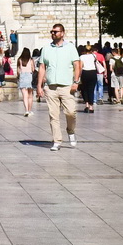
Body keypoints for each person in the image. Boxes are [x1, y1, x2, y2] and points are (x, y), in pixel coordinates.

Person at [38, 23, 80, 151]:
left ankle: (71, 131)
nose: (53, 34)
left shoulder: (71, 48)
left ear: (62, 33)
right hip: (51, 87)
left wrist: (76, 81)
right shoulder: (46, 48)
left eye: (55, 32)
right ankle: (57, 140)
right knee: (53, 115)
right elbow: (42, 67)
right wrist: (39, 86)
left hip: (67, 86)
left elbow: (77, 65)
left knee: (71, 112)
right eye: (52, 31)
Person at [17, 48, 37, 116]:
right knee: (30, 96)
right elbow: (33, 69)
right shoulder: (31, 60)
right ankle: (29, 110)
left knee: (24, 96)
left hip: (22, 77)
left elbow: (18, 71)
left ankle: (26, 110)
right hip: (29, 77)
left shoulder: (19, 60)